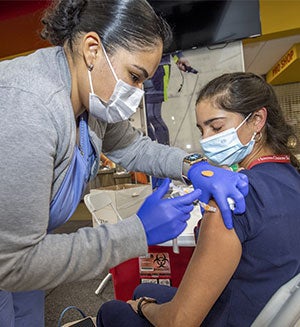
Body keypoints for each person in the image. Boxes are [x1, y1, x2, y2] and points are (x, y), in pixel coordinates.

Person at [0, 1, 248, 325]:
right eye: (134, 76)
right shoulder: (30, 107)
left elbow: (134, 147)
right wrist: (137, 232)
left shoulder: (92, 104)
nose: (138, 92)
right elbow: (15, 263)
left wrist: (193, 166)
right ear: (92, 49)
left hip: (27, 247)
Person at [96, 72, 300, 327]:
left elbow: (179, 322)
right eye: (202, 129)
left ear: (257, 119)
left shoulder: (230, 199)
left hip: (231, 316)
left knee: (114, 309)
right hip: (262, 304)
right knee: (141, 288)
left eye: (216, 127)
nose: (206, 140)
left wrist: (143, 307)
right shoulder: (292, 176)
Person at [144, 52, 196, 146]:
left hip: (158, 69)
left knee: (153, 115)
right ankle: (151, 148)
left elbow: (170, 40)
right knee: (144, 118)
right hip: (141, 68)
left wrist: (178, 58)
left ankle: (165, 149)